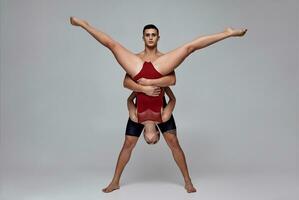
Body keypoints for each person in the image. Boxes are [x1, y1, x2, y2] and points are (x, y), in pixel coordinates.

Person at [70, 17, 247, 193]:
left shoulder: (164, 59)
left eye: (154, 35)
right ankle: (115, 181)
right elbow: (126, 83)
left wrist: (146, 82)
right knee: (113, 46)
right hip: (139, 69)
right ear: (143, 37)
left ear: (158, 37)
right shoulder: (136, 58)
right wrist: (143, 87)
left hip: (155, 69)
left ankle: (227, 33)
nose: (150, 37)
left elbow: (173, 80)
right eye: (147, 35)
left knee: (188, 48)